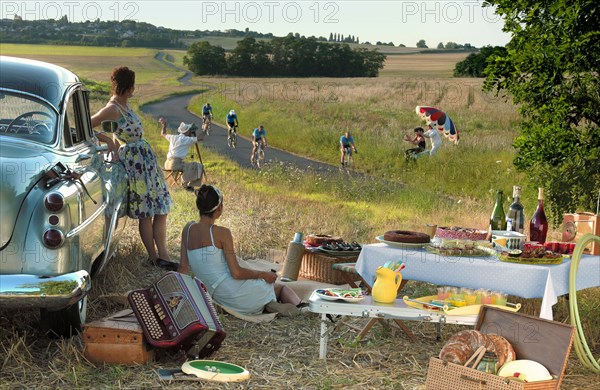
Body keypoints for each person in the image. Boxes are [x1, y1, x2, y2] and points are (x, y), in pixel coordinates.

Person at [90, 66, 177, 271]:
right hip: (134, 164)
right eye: (133, 86)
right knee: (147, 211)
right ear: (129, 87)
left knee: (161, 208)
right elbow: (86, 124)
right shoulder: (112, 108)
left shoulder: (125, 105)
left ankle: (163, 254)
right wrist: (108, 141)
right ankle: (155, 258)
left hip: (145, 163)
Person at [178, 185, 303, 316]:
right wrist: (263, 275)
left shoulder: (187, 230)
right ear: (219, 208)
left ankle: (268, 304)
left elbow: (183, 269)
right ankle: (300, 308)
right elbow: (236, 273)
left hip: (214, 296)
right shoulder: (222, 233)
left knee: (257, 285)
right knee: (278, 287)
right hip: (235, 294)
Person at [161, 118, 204, 190]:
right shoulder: (185, 139)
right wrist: (204, 130)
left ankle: (185, 183)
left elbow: (163, 133)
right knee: (198, 165)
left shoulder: (173, 137)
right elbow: (200, 138)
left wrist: (164, 125)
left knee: (186, 165)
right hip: (175, 164)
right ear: (187, 132)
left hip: (167, 163)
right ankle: (187, 185)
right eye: (189, 131)